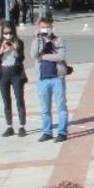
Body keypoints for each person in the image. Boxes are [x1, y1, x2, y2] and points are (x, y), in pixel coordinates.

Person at [31, 15, 69, 143]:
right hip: (42, 79)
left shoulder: (58, 40)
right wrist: (37, 39)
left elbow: (60, 56)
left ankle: (62, 132)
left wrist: (44, 56)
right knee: (45, 108)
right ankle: (47, 132)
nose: (45, 29)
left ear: (52, 27)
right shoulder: (37, 40)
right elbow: (33, 55)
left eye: (47, 27)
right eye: (43, 27)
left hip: (57, 77)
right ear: (38, 28)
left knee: (61, 106)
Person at [0, 22, 27, 137]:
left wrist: (14, 50)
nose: (8, 35)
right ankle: (9, 126)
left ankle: (22, 126)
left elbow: (21, 58)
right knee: (6, 101)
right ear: (2, 33)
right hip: (3, 75)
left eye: (10, 33)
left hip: (16, 74)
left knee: (19, 99)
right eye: (5, 33)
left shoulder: (19, 42)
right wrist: (1, 50)